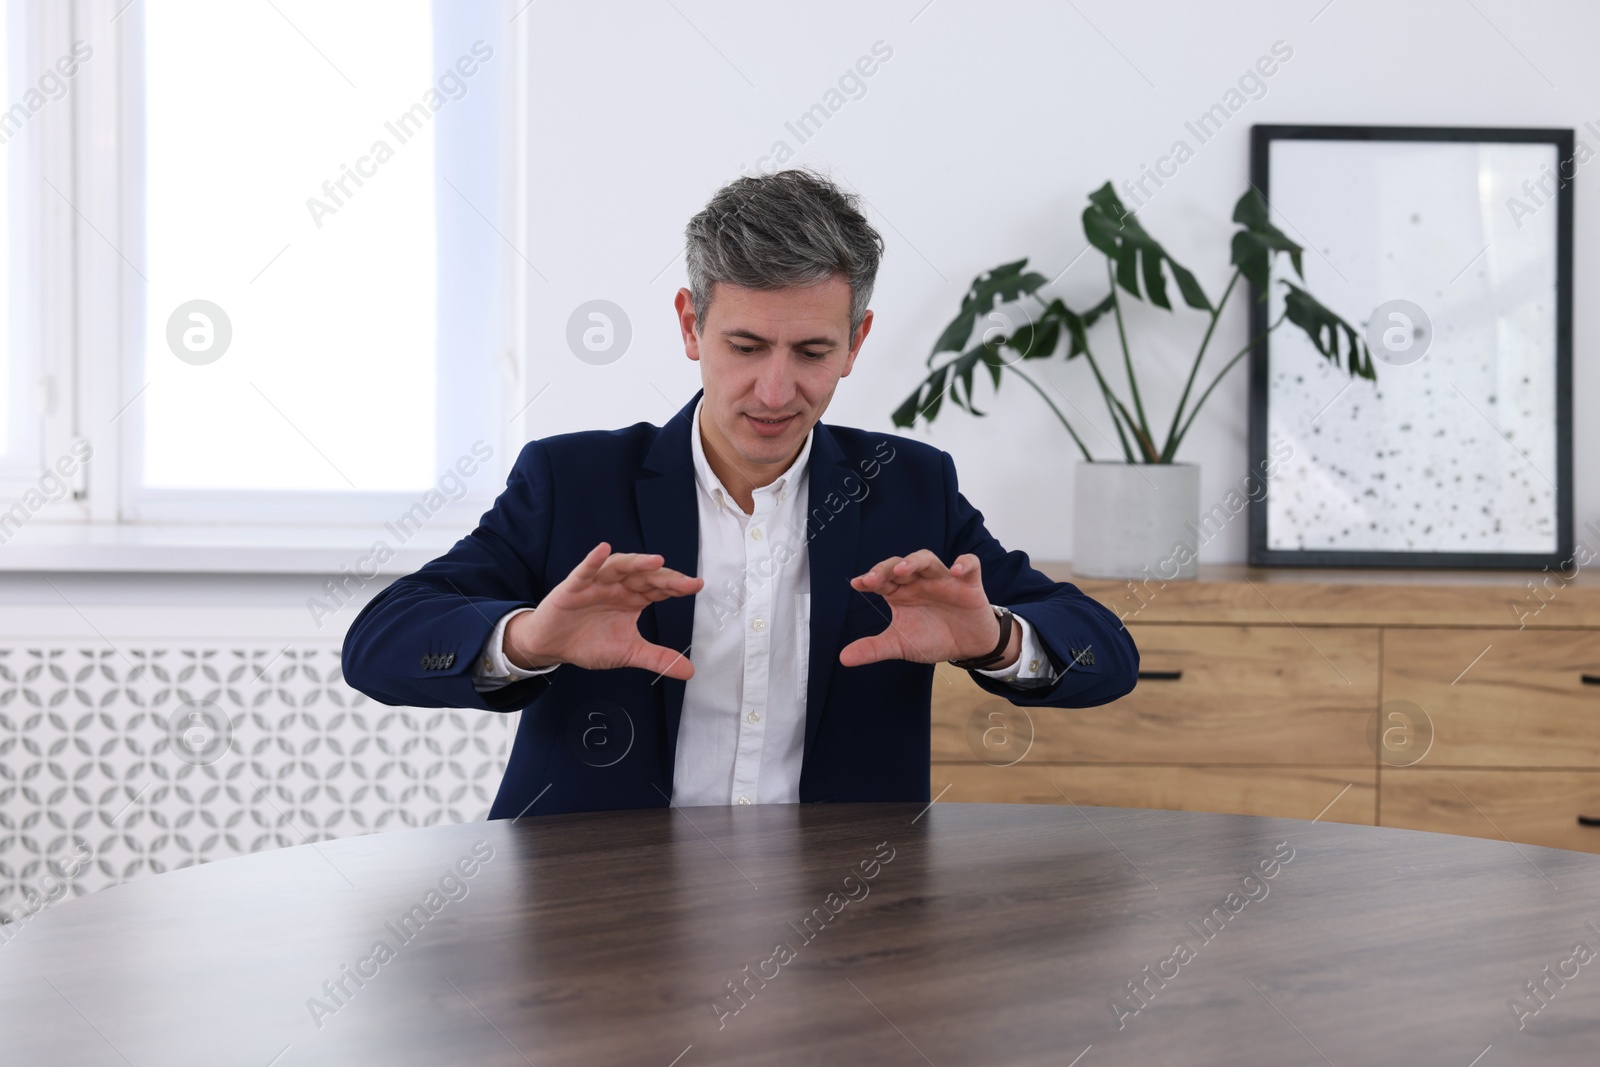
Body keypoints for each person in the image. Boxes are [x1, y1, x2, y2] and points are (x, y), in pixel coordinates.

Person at [341, 168, 1138, 818]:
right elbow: (379, 644)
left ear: (856, 342)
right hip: (592, 912)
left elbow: (1106, 651)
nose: (775, 388)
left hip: (845, 921)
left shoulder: (909, 488)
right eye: (746, 345)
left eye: (813, 350)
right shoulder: (571, 481)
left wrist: (997, 637)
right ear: (691, 326)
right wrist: (527, 640)